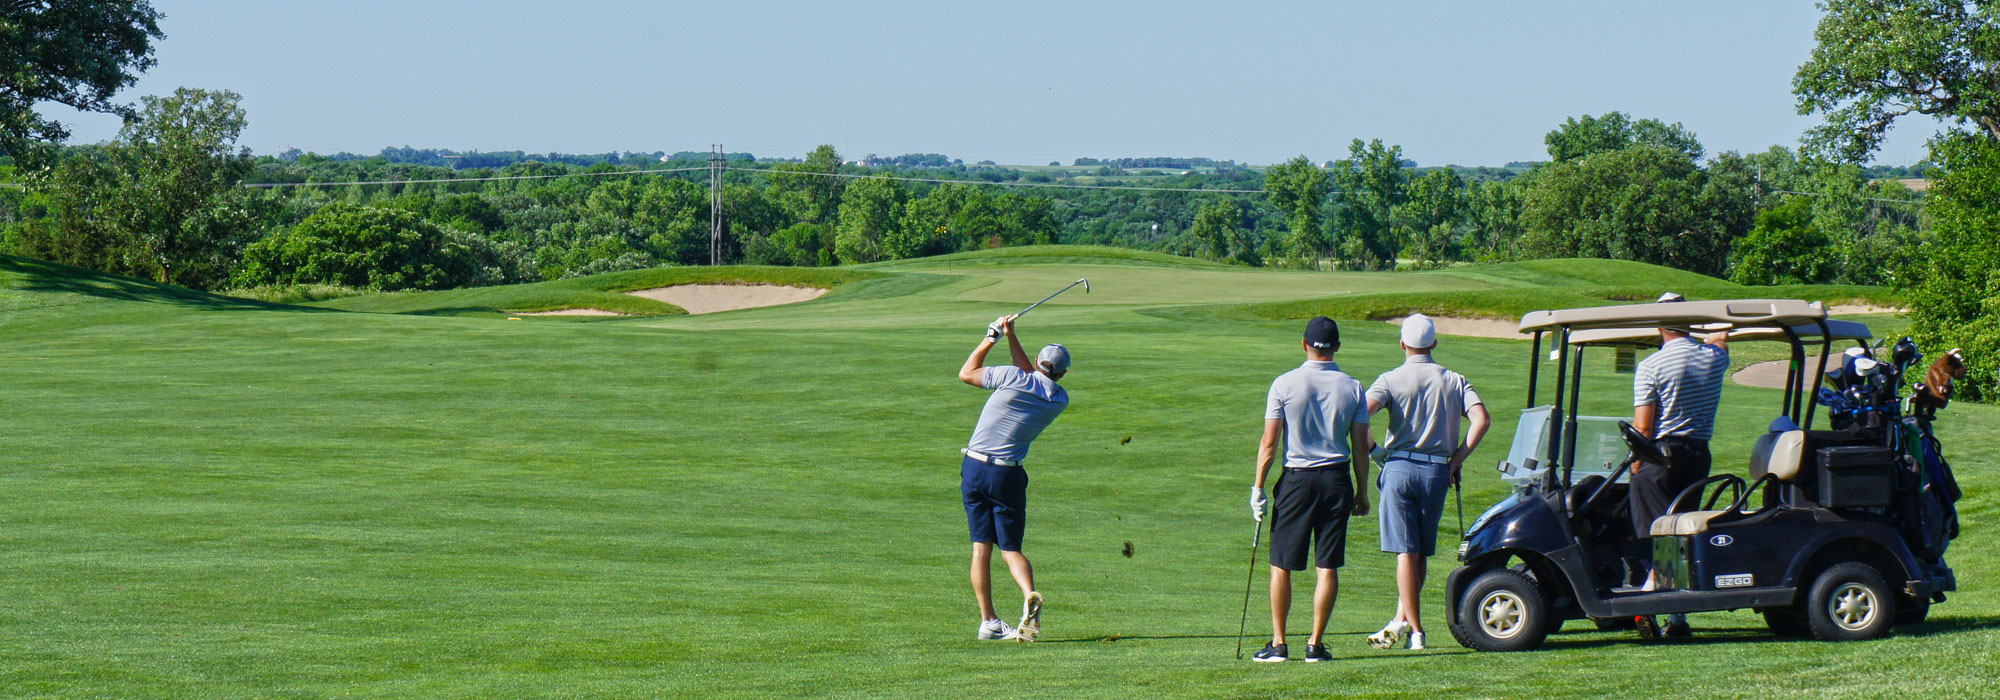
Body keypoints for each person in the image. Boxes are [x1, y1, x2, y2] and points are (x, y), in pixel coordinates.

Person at [1361, 314, 1491, 651]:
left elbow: (1359, 415)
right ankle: (1400, 620)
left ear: (1402, 343)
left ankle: (1416, 632)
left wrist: (1375, 450)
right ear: (1433, 343)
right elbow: (1481, 419)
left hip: (1399, 468)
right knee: (1419, 554)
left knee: (1406, 553)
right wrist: (1456, 460)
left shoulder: (1390, 379)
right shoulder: (1454, 380)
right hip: (1435, 472)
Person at [1249, 316, 1372, 663]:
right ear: (1337, 347)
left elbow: (1269, 443)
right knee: (1327, 565)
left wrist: (1258, 488)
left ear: (1304, 344)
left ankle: (1279, 644)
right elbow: (1360, 447)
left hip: (1297, 480)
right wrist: (1362, 492)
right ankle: (1315, 645)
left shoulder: (1284, 384)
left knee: (1281, 564)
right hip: (1336, 480)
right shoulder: (1353, 387)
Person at [957, 313, 1071, 643]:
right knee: (1010, 549)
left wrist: (991, 337)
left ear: (1037, 362)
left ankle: (989, 622)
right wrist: (1011, 335)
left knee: (981, 548)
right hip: (1006, 475)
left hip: (974, 467)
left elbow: (967, 373)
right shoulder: (1058, 399)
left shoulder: (1012, 377)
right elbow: (1032, 375)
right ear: (1063, 374)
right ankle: (1028, 593)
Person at [1626, 292, 1729, 638]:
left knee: (1662, 535)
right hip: (1698, 455)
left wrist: (1636, 465)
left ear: (1660, 324)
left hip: (1661, 457)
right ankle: (1678, 618)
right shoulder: (1714, 358)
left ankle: (1645, 599)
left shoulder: (1652, 365)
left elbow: (1643, 427)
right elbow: (1720, 341)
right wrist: (1715, 333)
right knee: (1679, 531)